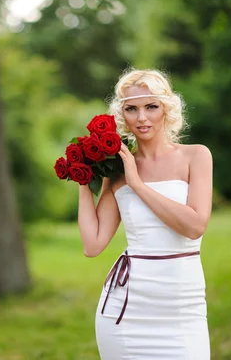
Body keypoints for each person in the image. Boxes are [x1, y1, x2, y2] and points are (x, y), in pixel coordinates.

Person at [77, 68, 213, 359]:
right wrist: (82, 178)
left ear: (166, 108)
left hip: (182, 308)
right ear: (121, 114)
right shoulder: (115, 171)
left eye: (151, 107)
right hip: (126, 311)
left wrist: (137, 184)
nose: (142, 118)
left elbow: (194, 226)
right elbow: (92, 245)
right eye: (131, 109)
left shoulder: (196, 156)